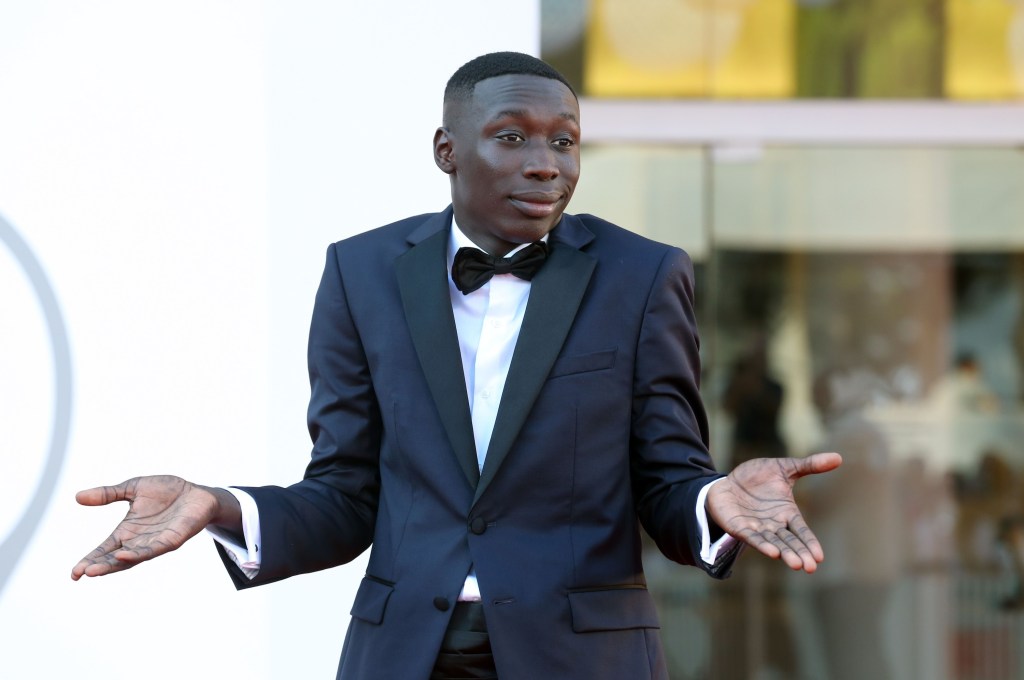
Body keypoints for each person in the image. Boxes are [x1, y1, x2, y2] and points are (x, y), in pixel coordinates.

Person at [71, 52, 841, 680]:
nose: (546, 164)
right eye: (512, 137)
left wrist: (714, 500)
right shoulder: (361, 272)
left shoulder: (643, 276)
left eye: (563, 141)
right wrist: (220, 505)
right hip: (405, 653)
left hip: (582, 656)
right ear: (446, 150)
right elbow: (345, 495)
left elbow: (668, 482)